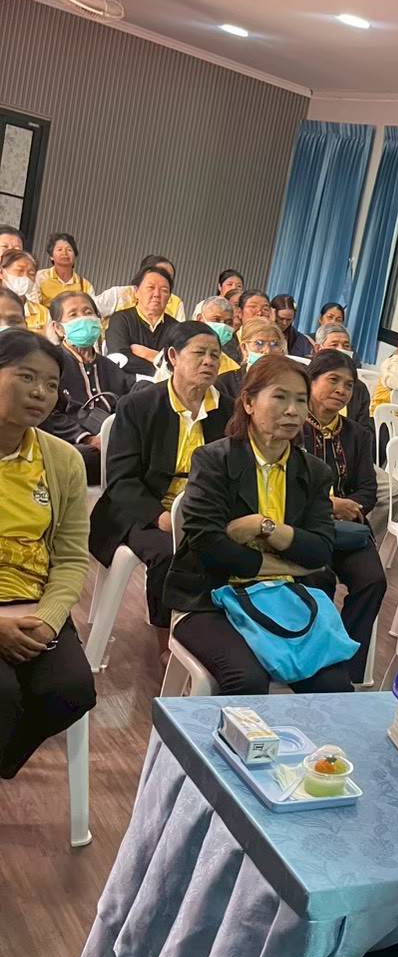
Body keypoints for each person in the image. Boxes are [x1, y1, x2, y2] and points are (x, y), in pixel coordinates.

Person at [165, 355, 354, 696]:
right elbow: (210, 547)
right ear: (249, 403)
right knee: (247, 679)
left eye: (301, 400)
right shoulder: (214, 460)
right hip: (211, 598)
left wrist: (263, 526)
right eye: (280, 397)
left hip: (286, 598)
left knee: (335, 685)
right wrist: (287, 565)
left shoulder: (314, 472)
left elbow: (319, 551)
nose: (293, 411)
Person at [90, 322, 228, 632]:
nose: (209, 361)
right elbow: (122, 480)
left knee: (232, 549)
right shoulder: (138, 406)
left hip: (202, 514)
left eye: (215, 355)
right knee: (169, 552)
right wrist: (161, 517)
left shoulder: (227, 411)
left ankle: (210, 633)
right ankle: (165, 637)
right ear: (173, 356)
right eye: (200, 353)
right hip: (143, 512)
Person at [0, 331, 96, 778]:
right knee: (3, 695)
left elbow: (72, 558)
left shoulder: (62, 459)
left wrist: (49, 619)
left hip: (32, 601)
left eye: (52, 384)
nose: (40, 392)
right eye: (26, 377)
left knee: (71, 690)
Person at [300, 350, 387, 680]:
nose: (341, 390)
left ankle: (346, 667)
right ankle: (309, 660)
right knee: (317, 577)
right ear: (311, 381)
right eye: (333, 380)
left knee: (373, 580)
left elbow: (368, 490)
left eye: (348, 385)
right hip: (305, 526)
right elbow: (289, 485)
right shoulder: (294, 426)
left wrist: (349, 509)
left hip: (348, 528)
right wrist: (329, 505)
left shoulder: (358, 434)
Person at [42, 292, 134, 483]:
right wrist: (87, 438)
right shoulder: (50, 364)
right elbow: (47, 414)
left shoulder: (110, 366)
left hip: (112, 440)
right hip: (72, 443)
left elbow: (128, 399)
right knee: (81, 457)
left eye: (88, 312)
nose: (83, 319)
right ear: (58, 328)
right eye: (73, 314)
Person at [104, 265, 178, 374]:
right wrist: (160, 370)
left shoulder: (176, 328)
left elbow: (178, 365)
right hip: (128, 382)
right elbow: (120, 357)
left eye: (164, 290)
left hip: (164, 385)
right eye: (150, 288)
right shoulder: (121, 319)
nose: (157, 294)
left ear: (169, 297)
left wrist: (146, 354)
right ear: (136, 291)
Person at [313, 324, 371, 428]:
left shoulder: (359, 388)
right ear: (318, 348)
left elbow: (364, 429)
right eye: (334, 345)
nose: (341, 350)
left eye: (346, 346)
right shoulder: (304, 378)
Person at [95, 254, 184, 321]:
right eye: (159, 272)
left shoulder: (176, 303)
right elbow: (92, 311)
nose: (163, 278)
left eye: (168, 277)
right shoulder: (119, 294)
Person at [216, 317, 282, 402]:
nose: (267, 350)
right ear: (244, 348)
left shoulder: (289, 381)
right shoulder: (225, 382)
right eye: (259, 343)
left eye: (274, 344)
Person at [33, 232, 94, 307]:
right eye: (59, 249)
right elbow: (34, 306)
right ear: (51, 256)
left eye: (69, 250)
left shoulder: (85, 286)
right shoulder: (39, 277)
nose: (64, 253)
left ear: (75, 256)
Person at [1, 249, 50, 332]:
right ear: (2, 273)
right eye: (20, 270)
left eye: (31, 273)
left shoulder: (43, 313)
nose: (26, 277)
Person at [196, 296, 241, 375]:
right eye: (216, 320)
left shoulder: (233, 369)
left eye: (228, 322)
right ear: (200, 319)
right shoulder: (182, 353)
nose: (222, 326)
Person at [271, 294, 315, 359]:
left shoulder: (301, 340)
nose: (284, 323)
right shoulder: (260, 332)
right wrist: (271, 325)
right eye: (281, 318)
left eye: (289, 319)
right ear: (272, 314)